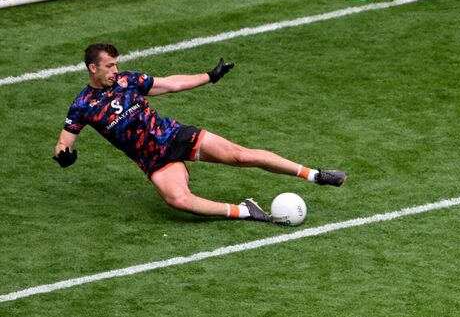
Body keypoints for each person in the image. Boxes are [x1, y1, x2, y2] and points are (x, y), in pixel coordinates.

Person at [53, 42, 346, 223]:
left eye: (116, 64)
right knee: (178, 200)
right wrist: (64, 156)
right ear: (92, 68)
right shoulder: (82, 105)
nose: (115, 70)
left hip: (175, 136)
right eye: (109, 66)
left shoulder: (128, 81)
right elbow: (64, 141)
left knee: (241, 156)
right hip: (154, 160)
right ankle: (245, 211)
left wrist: (209, 76)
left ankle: (315, 175)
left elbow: (171, 84)